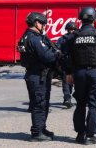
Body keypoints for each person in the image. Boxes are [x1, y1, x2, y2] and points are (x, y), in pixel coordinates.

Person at [64, 6, 96, 145]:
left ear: (81, 20)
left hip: (79, 74)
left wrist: (69, 72)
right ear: (94, 19)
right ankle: (91, 135)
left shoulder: (74, 36)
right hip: (95, 73)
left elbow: (66, 56)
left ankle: (80, 134)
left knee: (80, 104)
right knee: (93, 104)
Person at [18, 12, 61, 142]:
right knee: (39, 104)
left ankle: (41, 128)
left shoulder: (27, 37)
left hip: (36, 74)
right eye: (43, 24)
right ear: (36, 23)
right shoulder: (34, 38)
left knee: (42, 103)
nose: (44, 26)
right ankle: (37, 133)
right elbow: (46, 56)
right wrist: (56, 52)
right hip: (37, 75)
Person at [56, 22, 77, 109]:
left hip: (66, 64)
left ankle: (67, 99)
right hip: (75, 64)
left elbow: (57, 50)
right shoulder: (77, 37)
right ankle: (69, 99)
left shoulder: (62, 39)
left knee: (67, 82)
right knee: (70, 82)